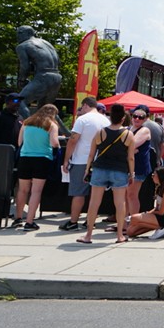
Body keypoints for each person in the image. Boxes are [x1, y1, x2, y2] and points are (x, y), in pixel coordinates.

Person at [79, 103, 136, 244]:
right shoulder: (128, 134)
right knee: (120, 203)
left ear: (110, 117)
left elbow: (91, 154)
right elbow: (130, 157)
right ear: (123, 118)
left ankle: (88, 235)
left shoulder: (100, 132)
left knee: (94, 203)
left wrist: (87, 170)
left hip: (100, 169)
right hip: (119, 170)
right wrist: (132, 173)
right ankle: (119, 235)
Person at [59, 96, 109, 231]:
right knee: (95, 194)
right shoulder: (105, 120)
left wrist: (66, 159)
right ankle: (90, 221)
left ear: (86, 105)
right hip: (99, 161)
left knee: (78, 193)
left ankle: (73, 221)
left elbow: (73, 140)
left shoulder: (82, 120)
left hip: (81, 160)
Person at [12, 103, 59, 230]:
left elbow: (19, 142)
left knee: (22, 190)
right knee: (36, 191)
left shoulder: (27, 122)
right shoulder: (51, 125)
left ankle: (18, 218)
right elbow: (54, 143)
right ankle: (29, 221)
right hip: (42, 159)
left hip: (25, 158)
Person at [14, 26, 62, 120]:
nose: (17, 36)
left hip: (43, 76)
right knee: (46, 109)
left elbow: (25, 67)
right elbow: (58, 62)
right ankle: (58, 127)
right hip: (57, 77)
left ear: (29, 33)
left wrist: (22, 79)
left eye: (20, 33)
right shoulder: (46, 43)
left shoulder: (22, 46)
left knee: (18, 101)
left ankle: (30, 125)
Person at [125, 166, 164, 240]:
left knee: (134, 218)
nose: (152, 177)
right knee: (130, 231)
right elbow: (156, 208)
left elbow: (161, 212)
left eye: (154, 175)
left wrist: (145, 215)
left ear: (160, 177)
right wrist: (146, 214)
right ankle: (158, 227)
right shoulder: (159, 188)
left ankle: (162, 227)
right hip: (160, 216)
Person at [127, 107, 153, 216]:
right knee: (125, 195)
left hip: (138, 168)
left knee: (132, 195)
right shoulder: (128, 129)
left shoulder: (144, 130)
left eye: (140, 117)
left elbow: (131, 145)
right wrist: (130, 150)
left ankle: (133, 221)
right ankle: (124, 221)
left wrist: (130, 149)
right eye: (135, 116)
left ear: (145, 119)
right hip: (127, 166)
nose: (137, 119)